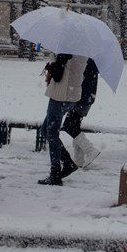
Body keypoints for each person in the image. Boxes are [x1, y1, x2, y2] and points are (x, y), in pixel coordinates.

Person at [39, 53, 90, 186]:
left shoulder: (67, 49)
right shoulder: (82, 49)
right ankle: (67, 163)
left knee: (51, 132)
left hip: (61, 94)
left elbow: (59, 71)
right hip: (72, 94)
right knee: (46, 130)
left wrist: (53, 59)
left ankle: (55, 173)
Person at [62, 58, 102, 168]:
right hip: (85, 98)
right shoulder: (91, 61)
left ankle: (90, 150)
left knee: (68, 126)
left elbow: (81, 80)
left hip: (81, 99)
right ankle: (79, 159)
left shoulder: (87, 61)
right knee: (75, 126)